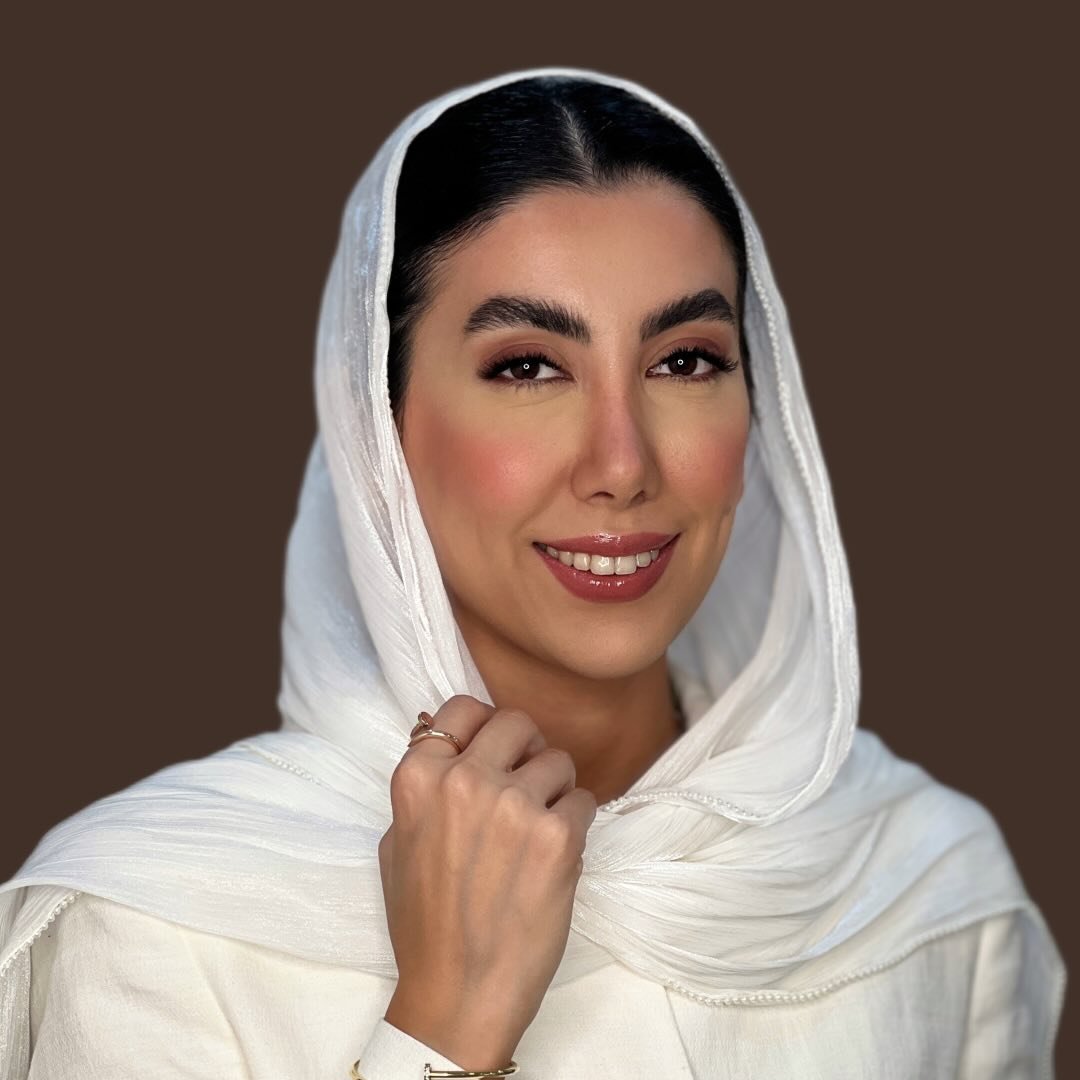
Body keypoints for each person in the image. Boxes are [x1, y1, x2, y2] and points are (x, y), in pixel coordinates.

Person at [0, 66, 1066, 1079]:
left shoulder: (922, 885)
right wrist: (446, 1024)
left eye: (685, 360)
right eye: (527, 368)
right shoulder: (159, 924)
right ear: (378, 428)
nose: (622, 464)